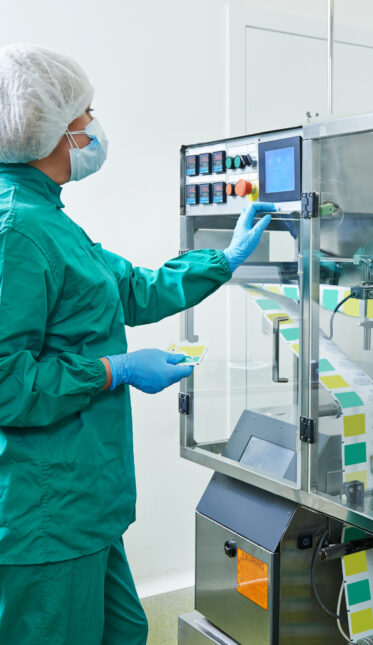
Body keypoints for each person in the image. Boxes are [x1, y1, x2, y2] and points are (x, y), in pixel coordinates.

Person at [0, 43, 274, 645]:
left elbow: (129, 289)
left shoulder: (48, 218)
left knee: (123, 630)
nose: (95, 126)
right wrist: (112, 370)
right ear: (50, 129)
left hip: (86, 504)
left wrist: (222, 261)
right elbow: (5, 385)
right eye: (86, 114)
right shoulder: (16, 229)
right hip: (44, 513)